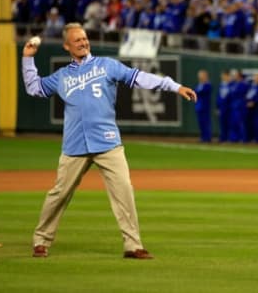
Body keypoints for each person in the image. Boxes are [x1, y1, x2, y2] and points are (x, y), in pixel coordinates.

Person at [21, 23, 197, 259]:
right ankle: (41, 241)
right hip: (74, 146)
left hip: (107, 142)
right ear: (66, 46)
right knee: (59, 194)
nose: (83, 43)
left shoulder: (107, 65)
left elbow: (139, 77)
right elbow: (34, 88)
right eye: (77, 40)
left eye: (85, 38)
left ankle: (133, 245)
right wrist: (27, 60)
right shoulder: (62, 76)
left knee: (124, 191)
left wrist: (174, 86)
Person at [228, 69, 249, 142]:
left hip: (240, 107)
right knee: (233, 123)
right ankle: (234, 139)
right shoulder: (233, 84)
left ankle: (243, 138)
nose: (234, 77)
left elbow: (241, 93)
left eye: (236, 75)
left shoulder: (243, 84)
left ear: (239, 76)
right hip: (234, 106)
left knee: (241, 123)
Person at [245, 73, 258, 144]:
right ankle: (250, 139)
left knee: (257, 125)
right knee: (250, 125)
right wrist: (248, 102)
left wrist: (253, 102)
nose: (256, 79)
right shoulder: (252, 87)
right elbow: (247, 96)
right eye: (255, 78)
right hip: (250, 110)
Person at [194, 69, 212, 143]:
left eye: (201, 75)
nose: (199, 76)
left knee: (206, 123)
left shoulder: (208, 84)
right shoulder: (199, 85)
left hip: (205, 107)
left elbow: (201, 92)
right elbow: (195, 93)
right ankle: (203, 137)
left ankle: (207, 138)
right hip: (199, 106)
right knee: (201, 123)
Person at [216, 70, 232, 143]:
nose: (222, 77)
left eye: (223, 75)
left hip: (229, 107)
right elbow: (219, 97)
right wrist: (218, 107)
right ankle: (223, 138)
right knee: (222, 123)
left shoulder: (231, 85)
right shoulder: (221, 84)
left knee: (229, 123)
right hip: (222, 107)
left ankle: (229, 138)